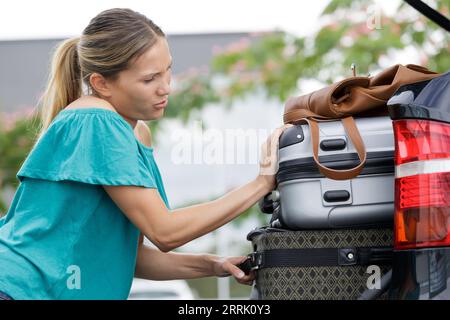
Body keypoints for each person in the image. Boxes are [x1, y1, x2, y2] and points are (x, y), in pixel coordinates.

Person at [0, 8, 291, 300]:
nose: (166, 88)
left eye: (168, 71)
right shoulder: (98, 119)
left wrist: (213, 264)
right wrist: (260, 184)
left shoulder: (136, 133)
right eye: (150, 79)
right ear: (101, 83)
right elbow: (165, 232)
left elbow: (132, 255)